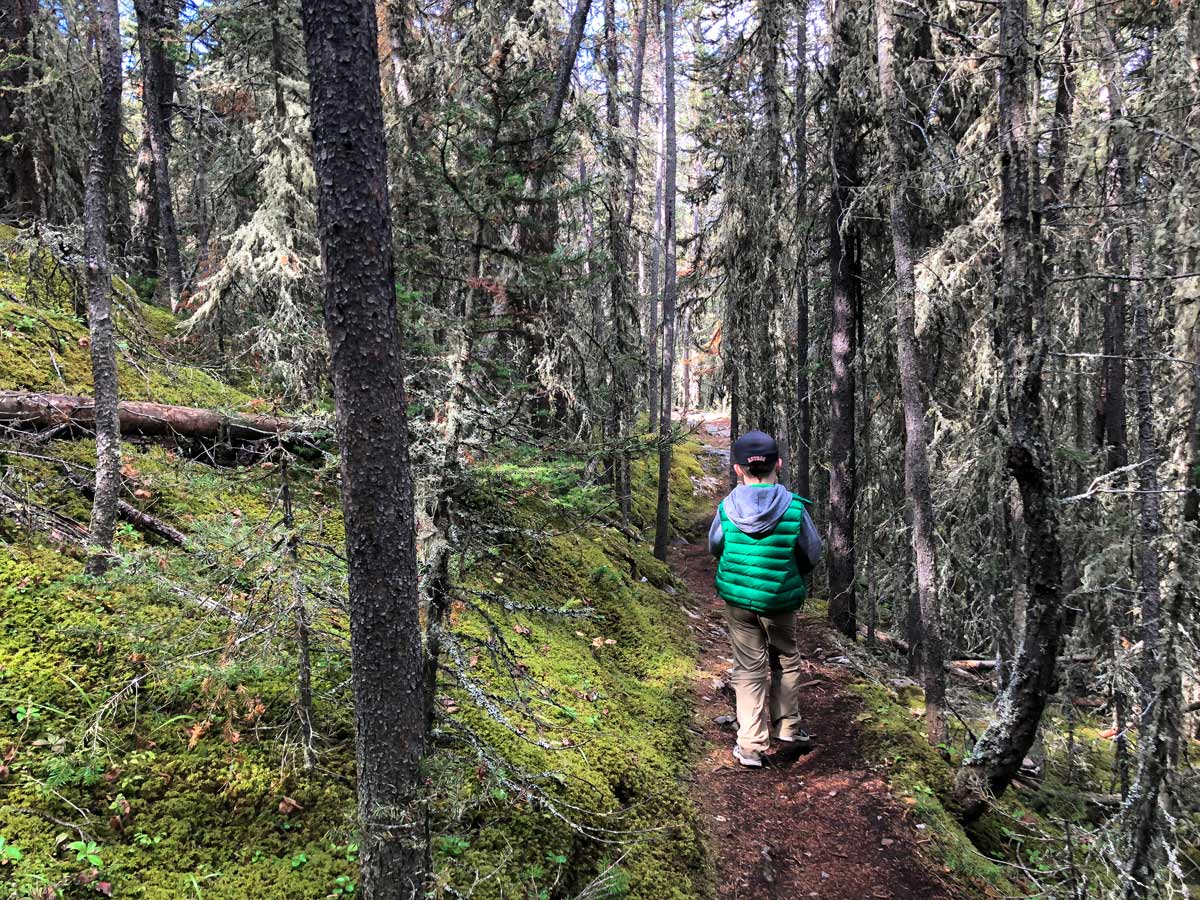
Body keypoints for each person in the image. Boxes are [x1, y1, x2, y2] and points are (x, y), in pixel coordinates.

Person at [708, 430, 823, 768]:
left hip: (739, 601)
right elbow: (812, 553)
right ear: (780, 465)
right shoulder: (793, 507)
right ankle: (788, 727)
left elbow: (715, 546)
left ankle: (751, 745)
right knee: (785, 659)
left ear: (738, 469)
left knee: (748, 667)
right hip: (780, 601)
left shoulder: (727, 507)